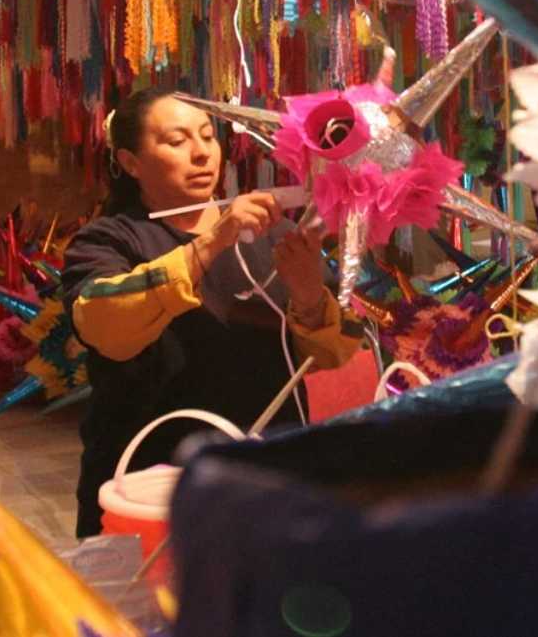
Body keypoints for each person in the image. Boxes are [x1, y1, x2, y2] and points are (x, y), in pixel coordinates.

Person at [62, 87, 365, 538]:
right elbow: (102, 324)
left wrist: (307, 295)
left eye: (207, 135)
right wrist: (214, 240)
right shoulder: (107, 241)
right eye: (177, 140)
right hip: (149, 488)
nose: (202, 152)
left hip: (263, 483)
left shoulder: (275, 234)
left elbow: (335, 354)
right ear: (131, 162)